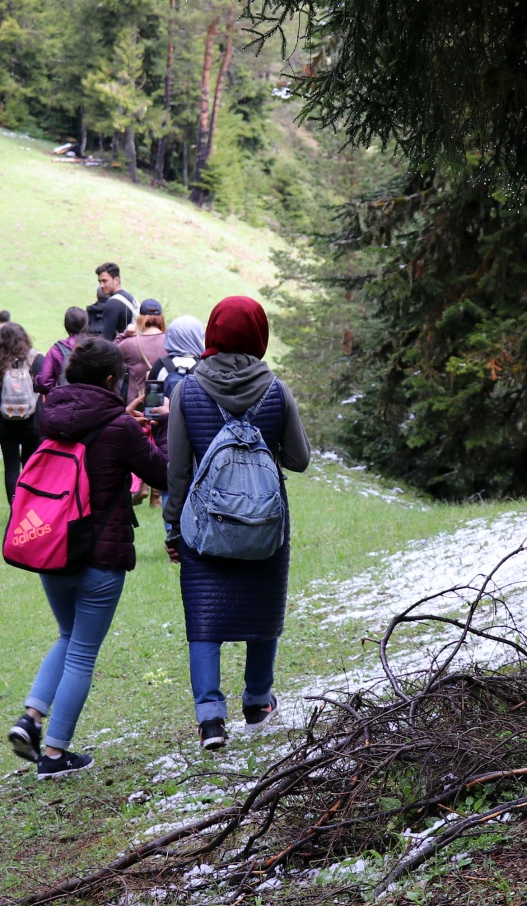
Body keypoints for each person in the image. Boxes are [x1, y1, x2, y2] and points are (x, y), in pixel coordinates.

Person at [7, 338, 168, 779]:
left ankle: (32, 717)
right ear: (113, 380)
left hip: (53, 548)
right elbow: (160, 473)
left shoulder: (51, 415)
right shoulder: (120, 427)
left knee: (66, 636)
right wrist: (160, 430)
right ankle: (55, 756)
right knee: (81, 653)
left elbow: (88, 436)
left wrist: (127, 425)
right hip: (100, 556)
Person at [162, 296, 310, 750]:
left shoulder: (185, 392)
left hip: (204, 527)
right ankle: (258, 701)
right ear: (257, 334)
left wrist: (172, 528)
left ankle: (210, 719)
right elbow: (300, 460)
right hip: (265, 524)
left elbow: (178, 471)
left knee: (204, 620)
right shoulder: (277, 390)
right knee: (262, 610)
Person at [145, 314, 205, 514]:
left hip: (168, 441)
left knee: (170, 486)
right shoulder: (204, 368)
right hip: (198, 440)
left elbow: (151, 411)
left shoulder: (160, 367)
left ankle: (173, 533)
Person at [0, 322, 44, 503]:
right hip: (32, 420)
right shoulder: (36, 358)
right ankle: (30, 504)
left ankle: (15, 506)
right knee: (30, 465)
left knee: (11, 467)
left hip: (6, 421)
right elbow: (43, 385)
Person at [116, 298, 167, 406]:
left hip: (136, 404)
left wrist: (124, 334)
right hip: (165, 404)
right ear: (161, 318)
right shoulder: (171, 342)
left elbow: (108, 353)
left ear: (140, 319)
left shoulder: (130, 344)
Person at [37, 306, 87, 395]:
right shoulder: (95, 348)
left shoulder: (56, 350)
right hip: (91, 404)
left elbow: (44, 382)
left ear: (65, 326)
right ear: (86, 326)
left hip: (63, 404)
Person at [95, 263, 137, 338]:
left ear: (116, 280)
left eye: (104, 281)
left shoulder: (113, 303)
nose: (101, 285)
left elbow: (106, 338)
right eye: (100, 281)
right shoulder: (130, 297)